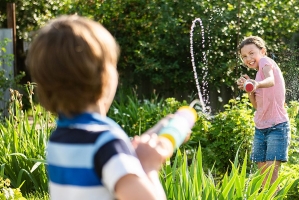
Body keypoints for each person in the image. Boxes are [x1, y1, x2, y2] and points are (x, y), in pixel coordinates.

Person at [25, 15, 182, 200]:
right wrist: (148, 167)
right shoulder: (107, 142)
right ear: (106, 78)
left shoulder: (60, 138)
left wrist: (160, 129)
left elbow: (110, 159)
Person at [236, 36, 290, 187]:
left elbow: (271, 80)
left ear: (263, 51)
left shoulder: (266, 63)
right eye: (244, 56)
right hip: (260, 128)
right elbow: (256, 106)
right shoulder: (257, 75)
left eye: (252, 53)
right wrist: (249, 88)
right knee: (263, 177)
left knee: (272, 173)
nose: (248, 58)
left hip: (277, 127)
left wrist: (256, 84)